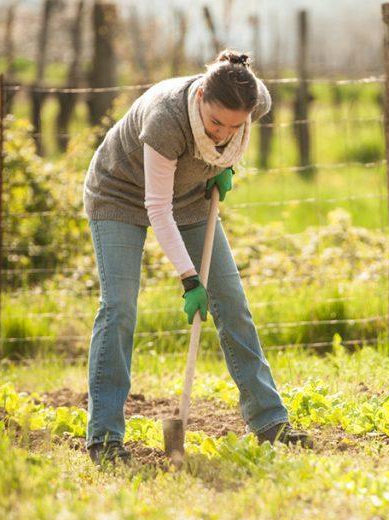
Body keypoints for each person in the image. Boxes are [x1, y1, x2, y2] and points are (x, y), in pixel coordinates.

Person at [81, 49, 313, 465]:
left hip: (189, 199)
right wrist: (189, 279)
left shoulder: (253, 99)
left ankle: (270, 423)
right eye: (215, 123)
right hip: (119, 194)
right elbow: (156, 207)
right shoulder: (166, 118)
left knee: (233, 303)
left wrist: (223, 166)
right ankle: (105, 438)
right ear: (201, 95)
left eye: (234, 127)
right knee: (119, 308)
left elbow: (219, 150)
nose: (223, 134)